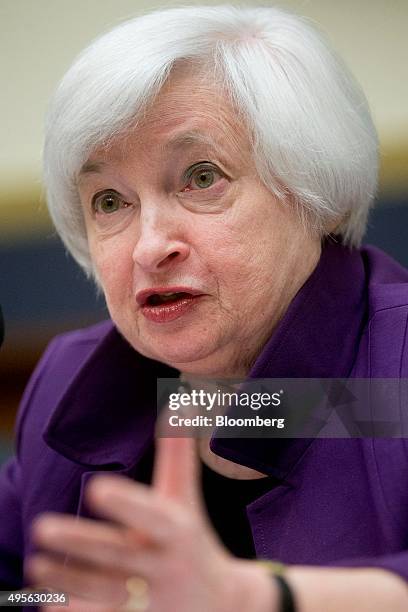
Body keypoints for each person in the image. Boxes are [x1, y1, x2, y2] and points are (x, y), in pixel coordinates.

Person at [1, 4, 408, 611]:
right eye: (110, 201)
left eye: (200, 176)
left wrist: (252, 596)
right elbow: (19, 589)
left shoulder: (395, 365)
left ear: (313, 190)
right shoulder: (76, 381)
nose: (147, 247)